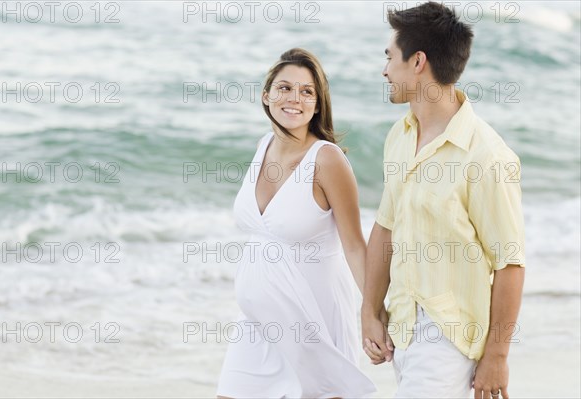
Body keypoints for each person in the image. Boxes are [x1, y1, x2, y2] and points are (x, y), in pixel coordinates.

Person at [361, 2, 525, 399]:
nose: (384, 70)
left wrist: (497, 357)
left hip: (449, 338)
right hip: (402, 327)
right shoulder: (399, 136)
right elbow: (385, 229)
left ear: (417, 62)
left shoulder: (486, 156)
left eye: (389, 57)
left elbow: (510, 264)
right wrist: (369, 311)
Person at [216, 48, 376, 398]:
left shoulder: (327, 160)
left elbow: (353, 244)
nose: (294, 99)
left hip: (312, 322)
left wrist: (373, 313)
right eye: (285, 88)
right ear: (266, 95)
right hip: (256, 325)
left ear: (318, 105)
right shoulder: (263, 146)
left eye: (307, 92)